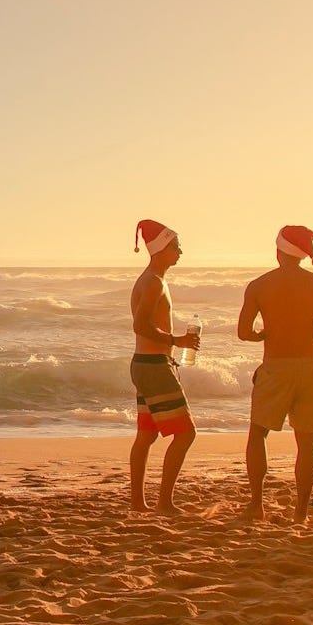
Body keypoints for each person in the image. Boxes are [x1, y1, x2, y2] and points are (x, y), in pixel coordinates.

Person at [237, 225, 313, 524]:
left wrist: (262, 336)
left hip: (276, 366)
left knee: (258, 434)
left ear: (278, 251)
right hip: (310, 367)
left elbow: (243, 332)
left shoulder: (259, 285)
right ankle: (301, 513)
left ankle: (257, 504)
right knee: (306, 441)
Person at [129, 219, 200, 514]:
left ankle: (138, 503)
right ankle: (164, 502)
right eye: (176, 246)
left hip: (148, 364)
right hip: (154, 366)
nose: (181, 252)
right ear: (160, 249)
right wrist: (177, 340)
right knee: (186, 433)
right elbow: (140, 325)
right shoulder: (153, 282)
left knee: (146, 436)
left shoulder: (155, 280)